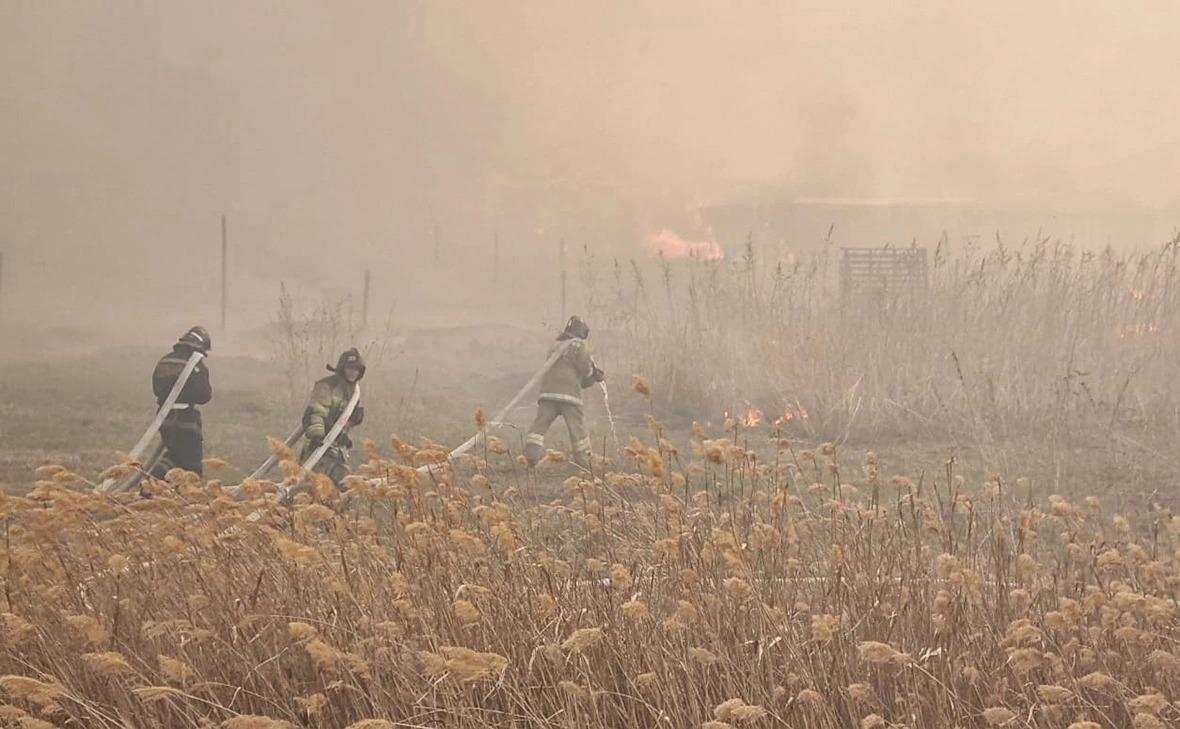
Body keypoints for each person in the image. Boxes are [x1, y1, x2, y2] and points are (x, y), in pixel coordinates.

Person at [524, 315, 605, 470]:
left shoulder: (556, 345)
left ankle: (531, 456)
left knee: (540, 424)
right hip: (569, 394)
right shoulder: (580, 345)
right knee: (577, 427)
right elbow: (586, 369)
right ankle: (583, 462)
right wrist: (594, 375)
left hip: (547, 392)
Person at [149, 326, 213, 480]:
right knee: (191, 466)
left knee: (174, 456)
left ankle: (153, 485)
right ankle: (157, 485)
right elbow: (204, 395)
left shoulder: (164, 360)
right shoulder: (196, 366)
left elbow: (156, 389)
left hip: (164, 419)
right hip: (186, 420)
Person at [299, 347, 366, 488]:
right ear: (342, 368)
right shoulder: (326, 386)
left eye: (356, 369)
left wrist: (353, 422)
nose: (353, 372)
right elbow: (316, 412)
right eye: (349, 368)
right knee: (312, 489)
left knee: (344, 490)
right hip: (319, 449)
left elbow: (343, 421)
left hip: (338, 451)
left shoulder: (354, 392)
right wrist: (317, 435)